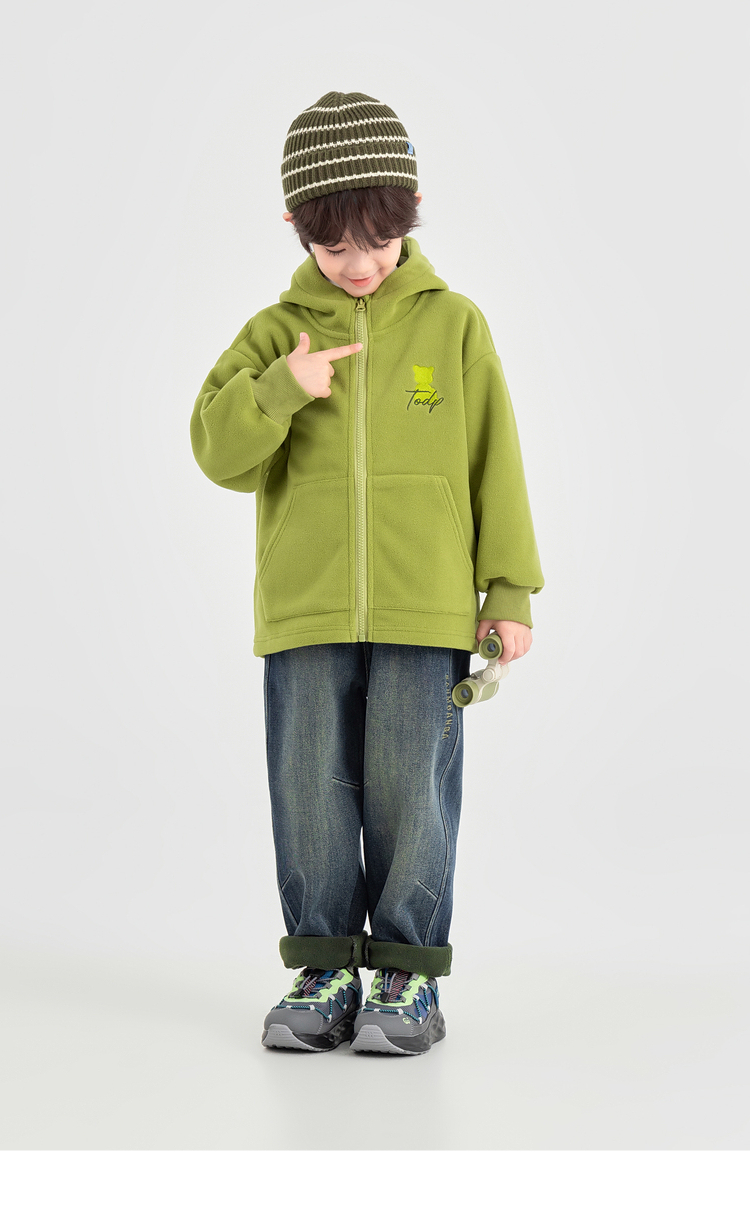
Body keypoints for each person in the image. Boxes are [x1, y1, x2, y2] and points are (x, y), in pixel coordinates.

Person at [190, 91, 545, 1056]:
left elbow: (495, 461)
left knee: (411, 789)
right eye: (333, 245)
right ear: (295, 226)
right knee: (309, 784)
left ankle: (406, 975)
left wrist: (508, 591)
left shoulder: (455, 326)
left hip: (426, 609)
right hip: (304, 610)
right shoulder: (276, 334)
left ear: (411, 211)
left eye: (378, 241)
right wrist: (279, 391)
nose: (358, 265)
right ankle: (324, 968)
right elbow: (216, 452)